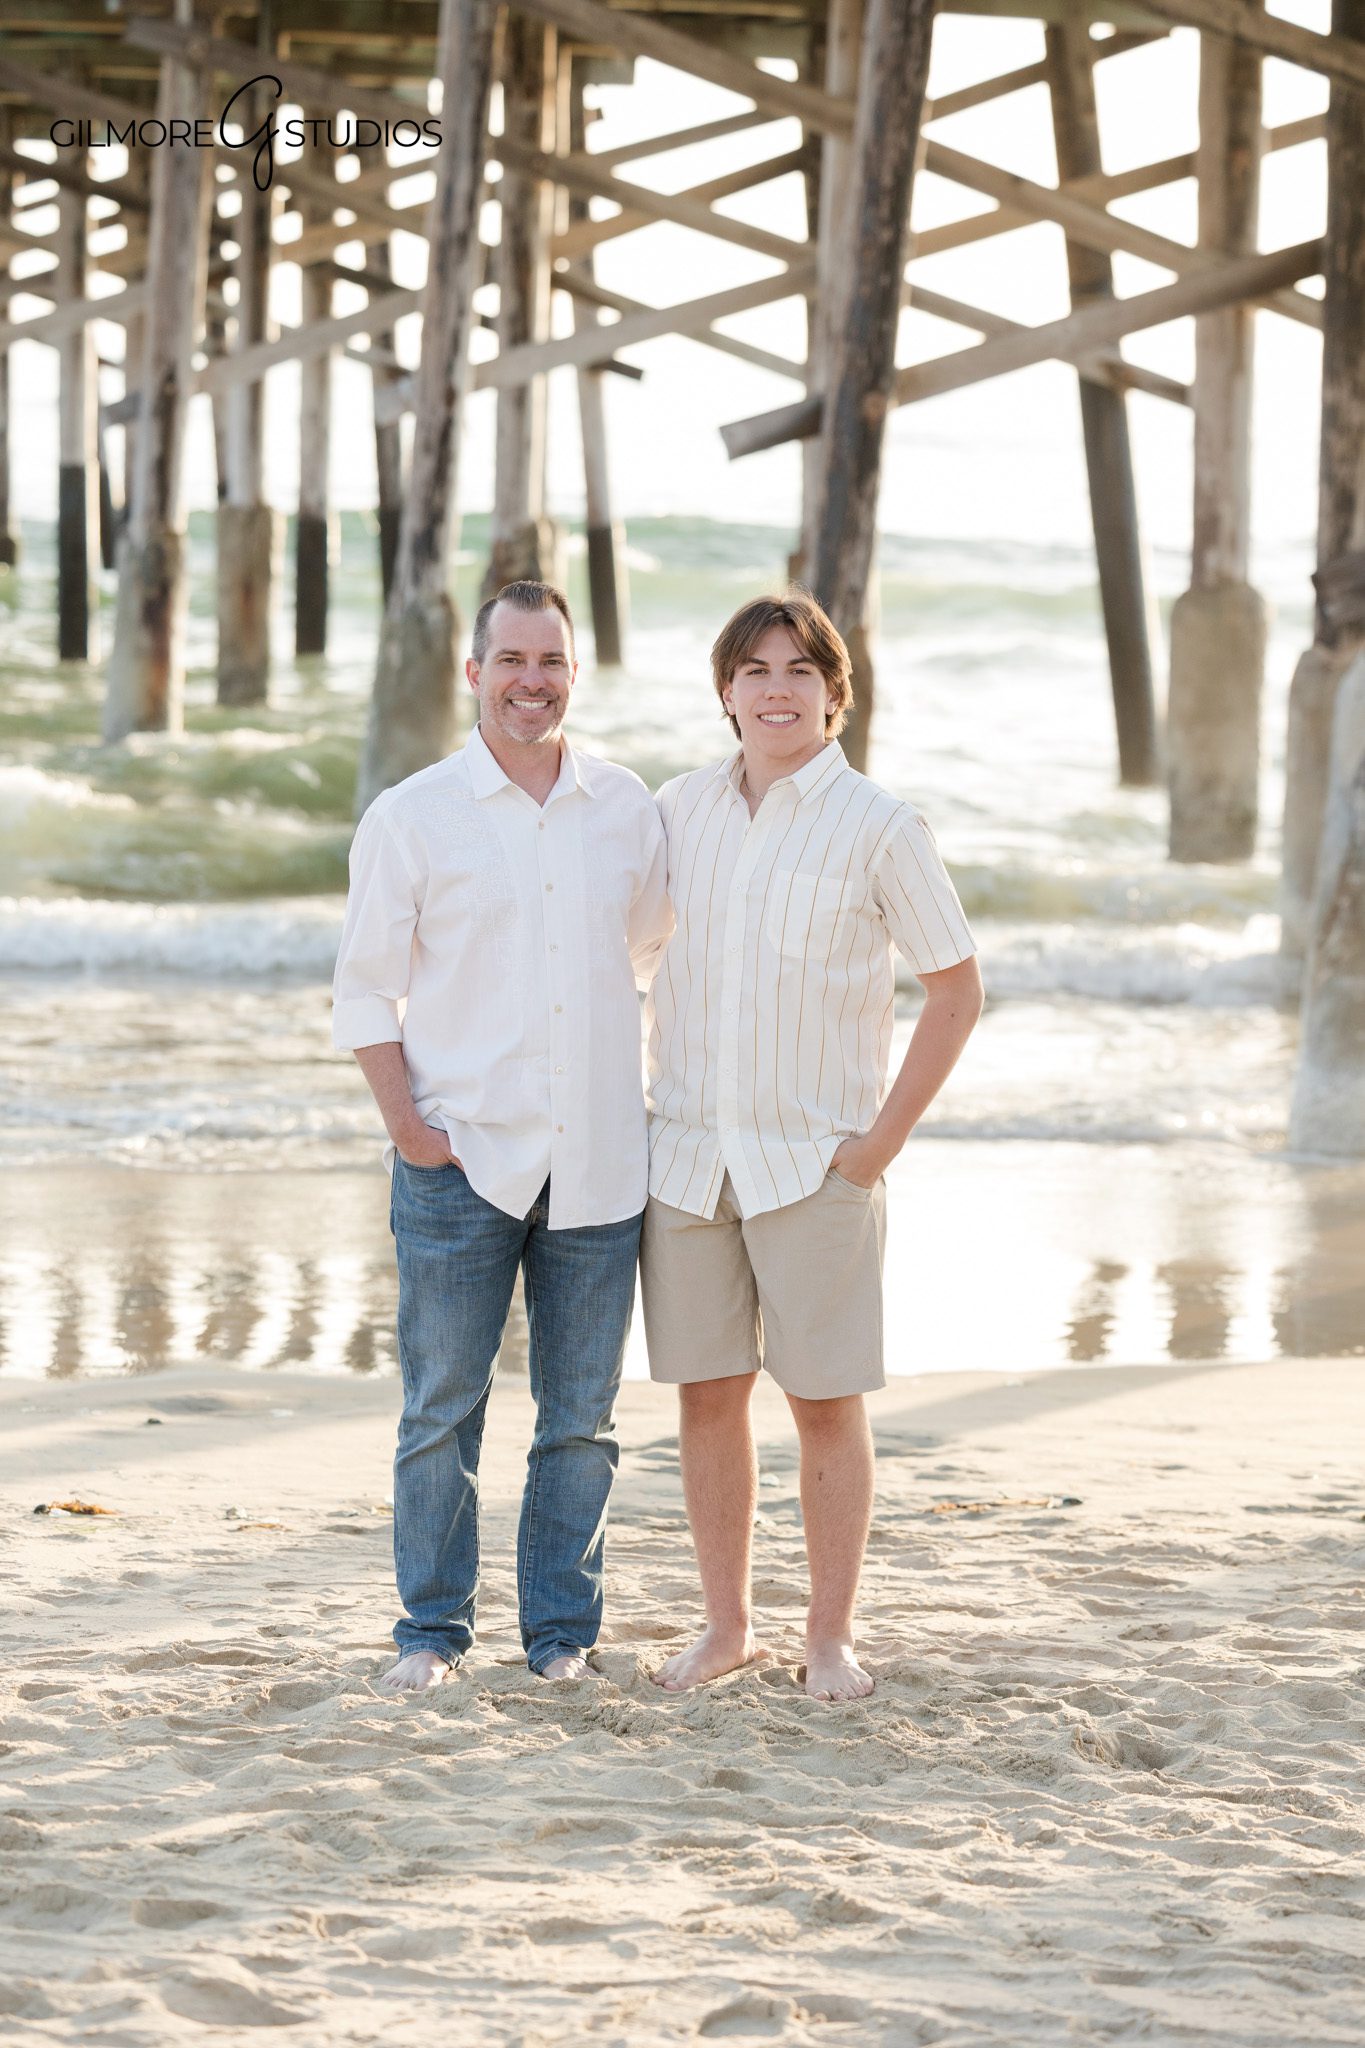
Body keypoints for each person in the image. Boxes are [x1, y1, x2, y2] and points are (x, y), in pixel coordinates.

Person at [640, 589, 983, 1703]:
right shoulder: (676, 809)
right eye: (755, 669)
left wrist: (877, 1144)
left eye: (800, 670)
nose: (777, 688)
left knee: (826, 1402)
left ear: (836, 697)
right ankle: (727, 1626)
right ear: (727, 692)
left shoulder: (881, 824)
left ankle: (829, 1636)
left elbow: (956, 987)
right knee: (706, 1396)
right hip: (688, 1156)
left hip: (816, 1162)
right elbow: (611, 953)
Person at [333, 579, 671, 1693]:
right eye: (512, 659)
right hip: (460, 1162)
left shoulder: (627, 808)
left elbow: (651, 961)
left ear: (576, 674)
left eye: (553, 661)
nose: (533, 679)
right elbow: (363, 994)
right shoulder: (412, 814)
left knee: (581, 1421)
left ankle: (560, 1638)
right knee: (442, 1411)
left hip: (600, 1164)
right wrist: (412, 1132)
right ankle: (430, 1633)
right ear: (472, 673)